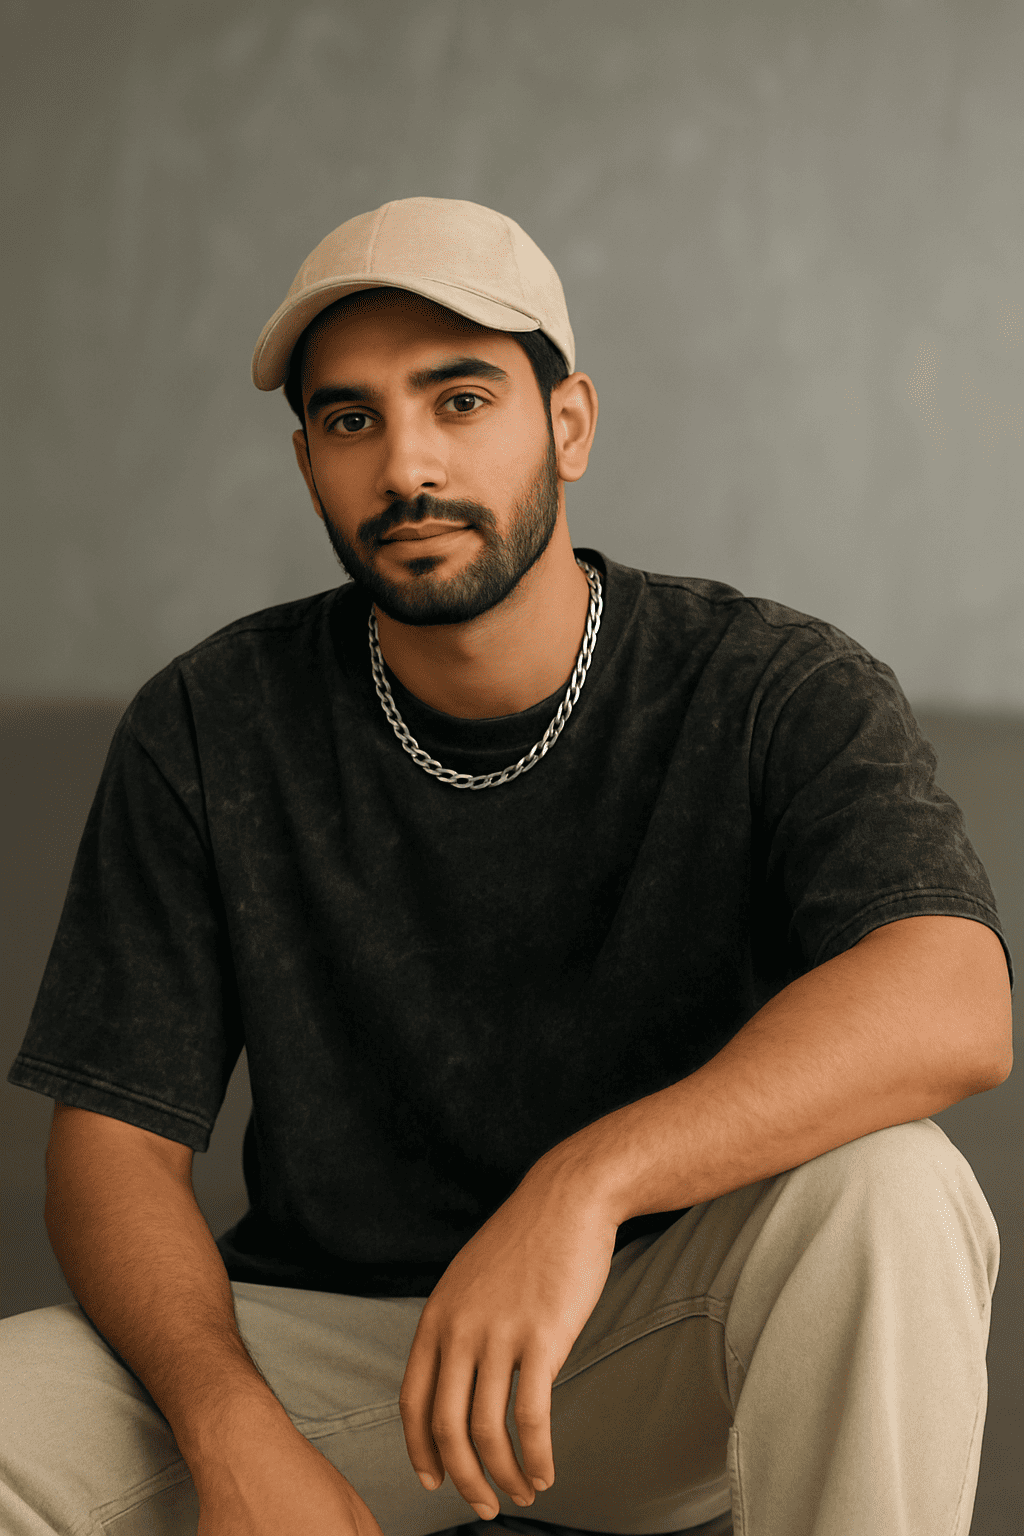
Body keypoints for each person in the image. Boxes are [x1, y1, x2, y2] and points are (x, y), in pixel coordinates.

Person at [1, 196, 1013, 1536]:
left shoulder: (772, 687)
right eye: (350, 421)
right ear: (307, 464)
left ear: (569, 425)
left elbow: (954, 996)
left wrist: (585, 1186)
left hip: (661, 1338)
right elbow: (114, 1150)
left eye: (461, 399)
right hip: (329, 1357)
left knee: (893, 1190)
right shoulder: (209, 722)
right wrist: (230, 1426)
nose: (405, 464)